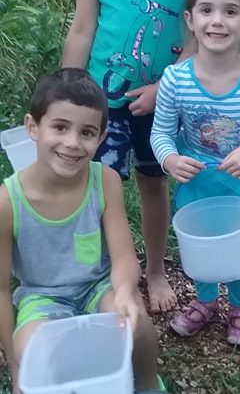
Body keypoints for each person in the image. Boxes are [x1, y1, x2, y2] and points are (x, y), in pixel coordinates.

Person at [0, 69, 167, 393]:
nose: (73, 143)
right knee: (34, 350)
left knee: (137, 325)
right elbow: (1, 290)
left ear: (101, 138)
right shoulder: (8, 203)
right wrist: (15, 363)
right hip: (41, 296)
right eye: (60, 127)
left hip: (98, 285)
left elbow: (123, 259)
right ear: (32, 127)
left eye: (87, 132)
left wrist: (122, 293)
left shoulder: (105, 181)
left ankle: (147, 384)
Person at [150, 0, 240, 346]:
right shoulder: (175, 80)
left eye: (230, 11)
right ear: (190, 19)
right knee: (199, 241)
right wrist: (170, 160)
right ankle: (206, 301)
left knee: (235, 242)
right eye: (206, 10)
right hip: (196, 177)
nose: (217, 20)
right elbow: (160, 133)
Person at [62, 0, 201, 312]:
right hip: (101, 100)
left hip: (161, 100)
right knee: (95, 188)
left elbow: (198, 33)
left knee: (154, 182)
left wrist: (163, 88)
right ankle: (97, 274)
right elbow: (82, 29)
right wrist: (66, 96)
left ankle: (155, 271)